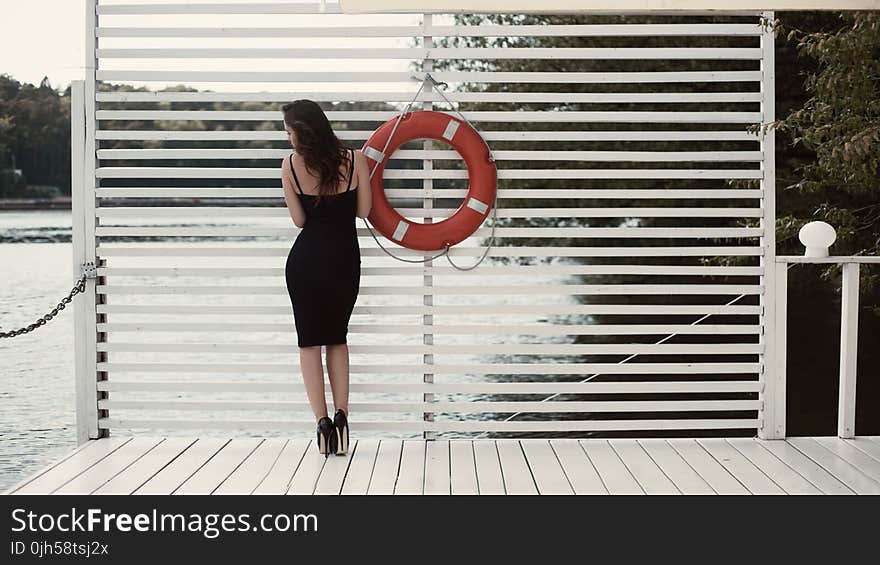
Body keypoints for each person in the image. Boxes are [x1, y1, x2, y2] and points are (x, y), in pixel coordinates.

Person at [280, 100, 372, 458]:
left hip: (304, 262)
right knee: (337, 338)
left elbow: (299, 222)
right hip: (344, 259)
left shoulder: (289, 166)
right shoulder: (355, 159)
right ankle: (342, 417)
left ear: (301, 132)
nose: (288, 139)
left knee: (308, 344)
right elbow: (363, 211)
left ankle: (320, 424)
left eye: (288, 132)